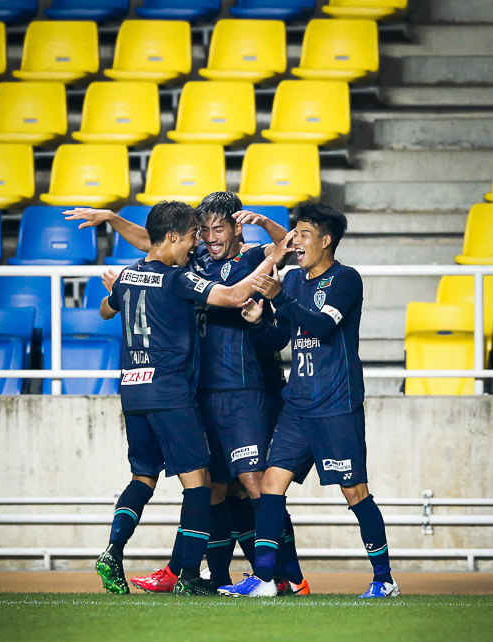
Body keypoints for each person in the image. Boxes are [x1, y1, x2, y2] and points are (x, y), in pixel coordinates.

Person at [66, 194, 308, 596]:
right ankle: (204, 575)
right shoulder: (184, 269)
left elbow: (285, 247)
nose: (206, 238)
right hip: (187, 391)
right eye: (201, 231)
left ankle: (284, 574)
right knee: (209, 486)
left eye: (217, 229)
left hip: (227, 389)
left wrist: (267, 226)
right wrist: (112, 218)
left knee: (243, 483)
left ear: (236, 228)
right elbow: (160, 245)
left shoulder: (243, 257)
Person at [218, 201, 400, 599]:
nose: (296, 241)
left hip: (336, 404)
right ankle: (265, 579)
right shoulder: (294, 281)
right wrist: (259, 322)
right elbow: (280, 339)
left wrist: (280, 297)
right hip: (297, 405)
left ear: (325, 240)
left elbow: (320, 325)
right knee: (270, 484)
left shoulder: (346, 279)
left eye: (303, 234)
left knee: (354, 492)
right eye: (295, 233)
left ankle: (384, 579)